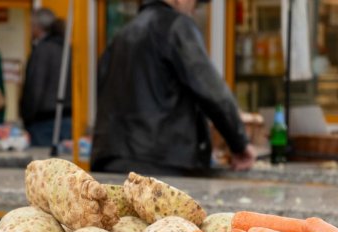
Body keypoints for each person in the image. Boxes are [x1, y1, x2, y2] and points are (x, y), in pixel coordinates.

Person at [91, 0, 256, 175]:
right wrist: (240, 144)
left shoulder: (120, 36)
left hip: (109, 162)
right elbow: (211, 90)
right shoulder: (176, 26)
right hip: (162, 164)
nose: (193, 9)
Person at [20, 9, 72, 147]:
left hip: (44, 121)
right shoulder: (66, 49)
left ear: (37, 27)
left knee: (44, 165)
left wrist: (26, 117)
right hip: (68, 118)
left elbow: (35, 88)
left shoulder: (42, 50)